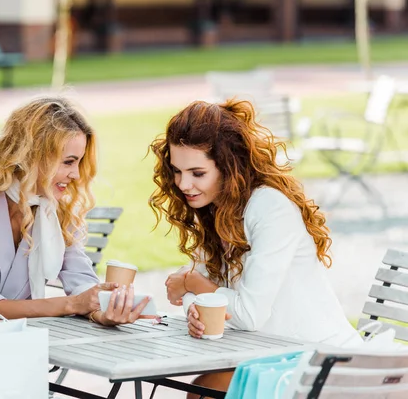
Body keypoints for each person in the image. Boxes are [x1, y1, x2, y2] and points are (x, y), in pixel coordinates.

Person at [148, 99, 361, 397]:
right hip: (268, 352)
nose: (183, 184)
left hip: (320, 361)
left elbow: (247, 313)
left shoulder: (268, 207)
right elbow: (204, 296)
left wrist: (191, 284)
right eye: (176, 171)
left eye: (197, 173)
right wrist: (194, 308)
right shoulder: (214, 211)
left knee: (206, 389)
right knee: (201, 387)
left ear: (227, 165)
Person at [0, 96, 149, 334]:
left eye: (79, 162)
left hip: (4, 346)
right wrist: (74, 305)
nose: (76, 174)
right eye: (68, 162)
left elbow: (81, 282)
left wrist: (104, 311)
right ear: (32, 156)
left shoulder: (58, 211)